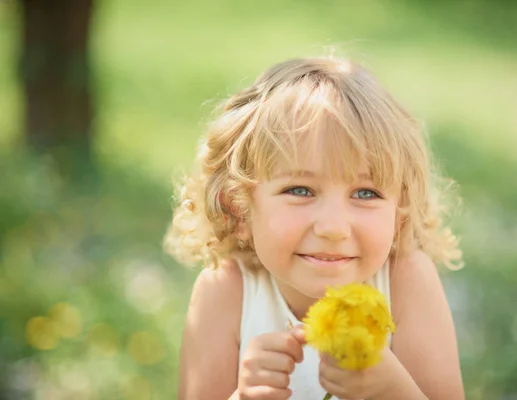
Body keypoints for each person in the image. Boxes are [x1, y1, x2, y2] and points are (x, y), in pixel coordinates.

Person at [164, 56, 465, 400]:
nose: (334, 228)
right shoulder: (225, 291)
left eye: (366, 193)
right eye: (300, 190)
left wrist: (394, 392)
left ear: (400, 214)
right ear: (240, 209)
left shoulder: (406, 281)